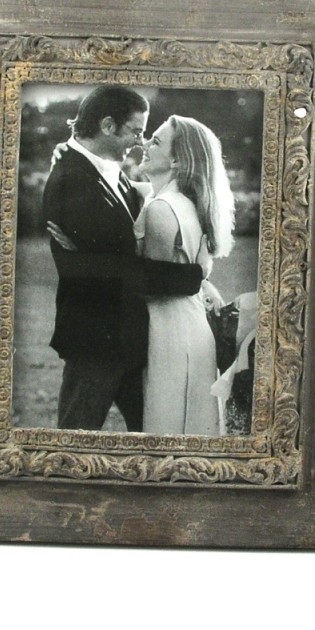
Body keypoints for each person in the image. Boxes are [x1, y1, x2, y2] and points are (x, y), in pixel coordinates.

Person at [42, 86, 204, 432]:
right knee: (75, 440)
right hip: (94, 343)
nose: (140, 141)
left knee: (151, 434)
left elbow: (142, 197)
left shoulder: (105, 171)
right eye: (136, 131)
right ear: (107, 126)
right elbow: (110, 271)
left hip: (128, 336)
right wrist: (191, 278)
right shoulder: (73, 180)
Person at [134, 115, 235, 435]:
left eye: (155, 142)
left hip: (167, 331)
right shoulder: (187, 202)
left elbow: (155, 283)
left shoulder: (162, 209)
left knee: (167, 425)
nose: (144, 145)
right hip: (192, 326)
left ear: (177, 160)